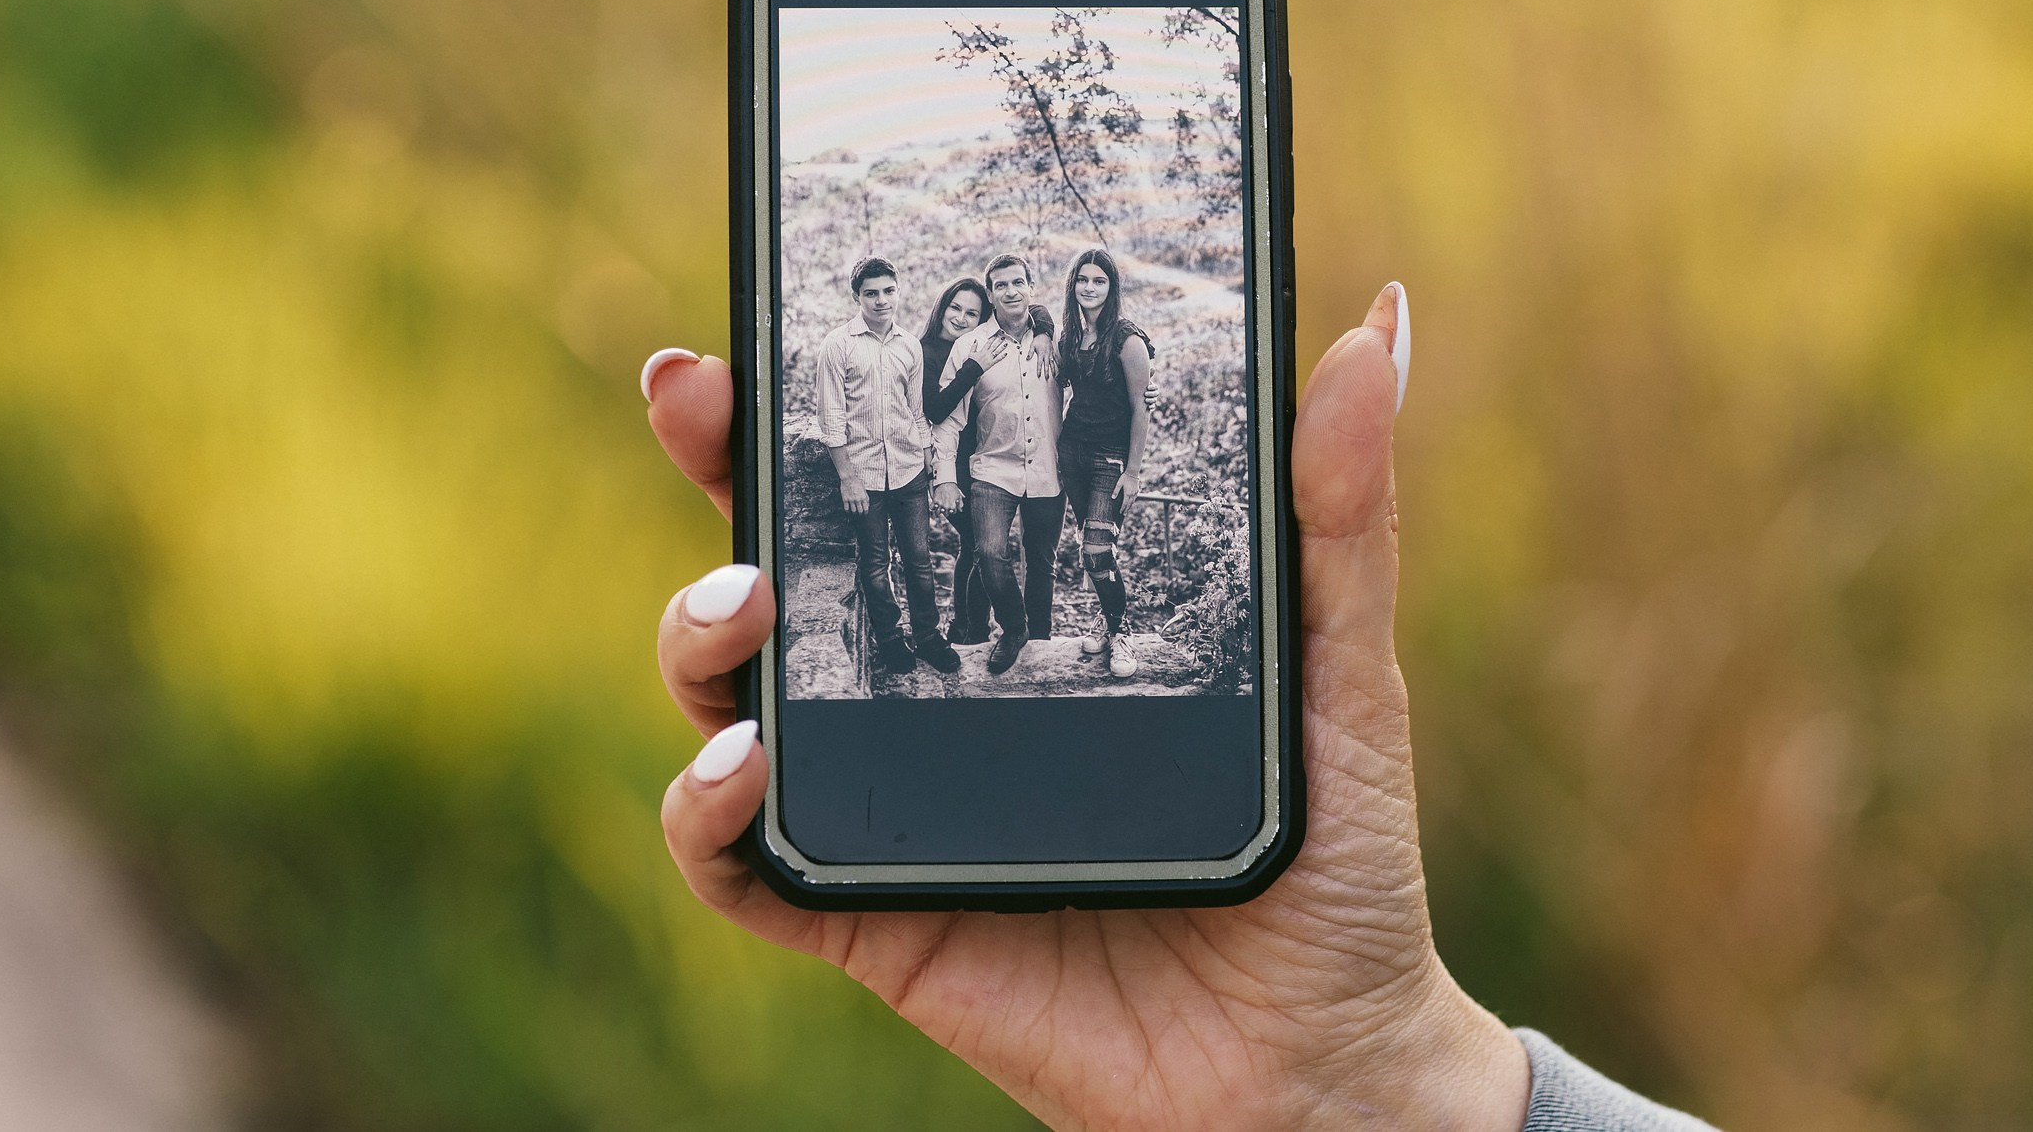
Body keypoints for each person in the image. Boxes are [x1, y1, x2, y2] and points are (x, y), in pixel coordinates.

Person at [642, 287, 1718, 1132]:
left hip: (1052, 469)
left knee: (1024, 566)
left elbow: (1112, 409)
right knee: (954, 568)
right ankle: (964, 648)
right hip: (967, 469)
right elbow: (933, 411)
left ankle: (1041, 640)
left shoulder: (1104, 346)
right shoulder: (945, 349)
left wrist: (1372, 1083)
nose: (1025, 298)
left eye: (1035, 287)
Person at [812, 257, 959, 679]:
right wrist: (848, 477)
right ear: (857, 296)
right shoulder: (837, 345)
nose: (881, 301)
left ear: (898, 291)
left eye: (888, 291)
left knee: (919, 560)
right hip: (866, 479)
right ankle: (891, 640)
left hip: (910, 470)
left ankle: (929, 637)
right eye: (871, 293)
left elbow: (915, 413)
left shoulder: (909, 345)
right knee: (876, 564)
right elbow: (831, 420)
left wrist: (930, 458)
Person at [928, 252, 1065, 675]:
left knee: (1041, 560)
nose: (1010, 291)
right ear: (991, 293)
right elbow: (948, 420)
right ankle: (1014, 628)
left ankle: (1039, 640)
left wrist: (1144, 390)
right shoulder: (970, 346)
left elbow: (1099, 379)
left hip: (1047, 467)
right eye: (1001, 285)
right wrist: (945, 478)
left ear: (1031, 288)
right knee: (988, 551)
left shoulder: (1054, 341)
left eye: (1017, 283)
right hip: (991, 468)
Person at [1054, 248, 1154, 679]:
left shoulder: (1127, 339)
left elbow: (1141, 408)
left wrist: (1132, 472)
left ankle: (1122, 632)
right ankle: (1106, 617)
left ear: (1111, 287)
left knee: (1096, 549)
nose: (1089, 288)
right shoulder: (1069, 337)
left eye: (1098, 280)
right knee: (1096, 548)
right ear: (1073, 285)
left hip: (1110, 459)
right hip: (1072, 453)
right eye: (1082, 280)